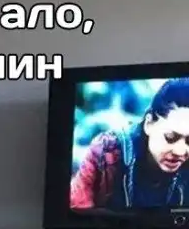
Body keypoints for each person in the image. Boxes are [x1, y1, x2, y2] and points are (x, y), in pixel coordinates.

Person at [70, 78, 189, 210]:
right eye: (170, 137)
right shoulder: (108, 152)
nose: (180, 151)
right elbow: (77, 210)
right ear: (149, 124)